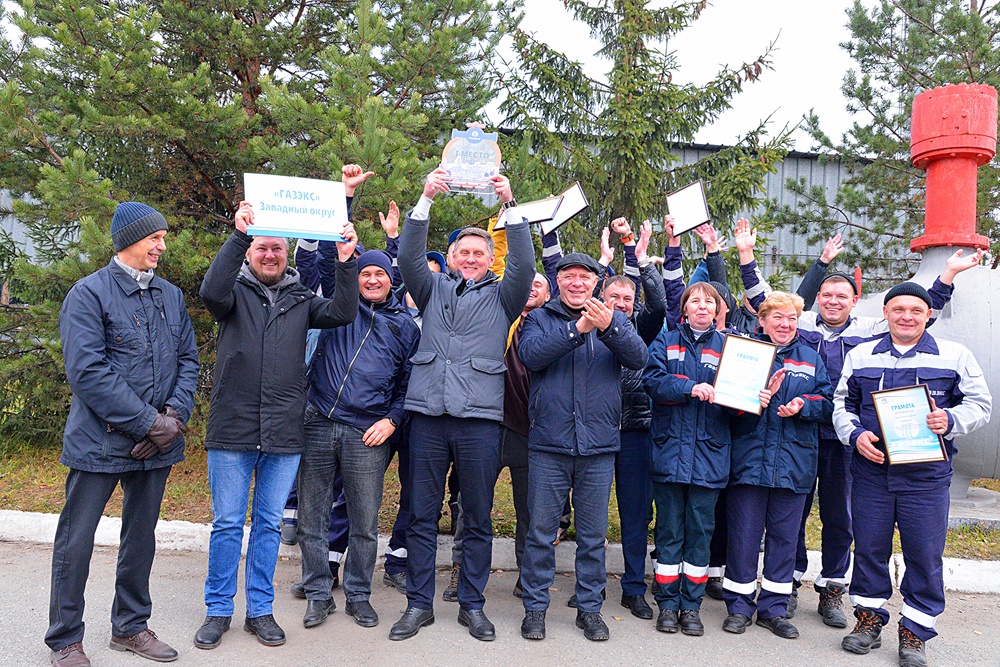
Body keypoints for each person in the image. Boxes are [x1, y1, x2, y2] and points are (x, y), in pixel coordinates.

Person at [737, 233, 981, 624]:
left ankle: (832, 587)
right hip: (799, 434)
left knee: (841, 517)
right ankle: (789, 581)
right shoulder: (801, 324)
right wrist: (747, 255)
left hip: (847, 439)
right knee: (793, 515)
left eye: (842, 296)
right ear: (817, 300)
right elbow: (764, 301)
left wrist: (948, 273)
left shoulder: (869, 330)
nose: (833, 301)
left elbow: (919, 310)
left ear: (856, 301)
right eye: (827, 295)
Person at [194, 201, 359, 650]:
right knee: (228, 524)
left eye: (277, 249)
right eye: (262, 248)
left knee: (268, 525)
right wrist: (238, 235)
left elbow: (343, 311)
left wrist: (346, 261)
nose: (270, 255)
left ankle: (260, 611)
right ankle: (218, 610)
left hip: (284, 432)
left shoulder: (302, 299)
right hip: (232, 428)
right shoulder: (232, 294)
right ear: (250, 254)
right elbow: (210, 291)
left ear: (287, 255)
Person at [47, 202, 199, 666]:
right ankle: (65, 640)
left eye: (162, 237)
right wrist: (150, 423)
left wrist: (172, 418)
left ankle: (130, 627)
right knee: (76, 542)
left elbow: (188, 361)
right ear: (129, 240)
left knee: (140, 538)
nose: (162, 246)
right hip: (99, 443)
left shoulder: (170, 296)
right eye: (155, 238)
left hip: (157, 444)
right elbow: (88, 372)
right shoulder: (88, 294)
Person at [389, 169, 534, 642]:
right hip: (428, 417)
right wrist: (425, 198)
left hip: (479, 420)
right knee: (421, 514)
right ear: (450, 258)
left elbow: (525, 264)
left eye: (478, 253)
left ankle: (472, 604)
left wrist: (510, 204)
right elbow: (408, 256)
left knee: (476, 516)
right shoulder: (431, 289)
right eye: (462, 252)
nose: (470, 258)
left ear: (490, 260)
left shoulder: (505, 295)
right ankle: (418, 604)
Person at [834, 282, 991, 667]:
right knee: (869, 549)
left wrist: (949, 419)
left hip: (926, 478)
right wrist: (855, 435)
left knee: (923, 554)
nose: (907, 317)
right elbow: (842, 404)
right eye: (899, 309)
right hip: (871, 473)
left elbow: (980, 404)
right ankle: (868, 620)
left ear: (928, 314)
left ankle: (915, 632)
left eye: (916, 310)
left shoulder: (954, 355)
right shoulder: (861, 355)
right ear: (886, 313)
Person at [518, 252, 649, 642]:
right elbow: (531, 356)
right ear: (558, 281)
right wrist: (578, 328)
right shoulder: (540, 318)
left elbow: (638, 357)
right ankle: (535, 608)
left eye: (584, 277)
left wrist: (608, 328)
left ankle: (590, 610)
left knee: (592, 537)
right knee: (541, 533)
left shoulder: (616, 320)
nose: (577, 283)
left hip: (599, 447)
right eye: (569, 276)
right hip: (549, 444)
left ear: (596, 283)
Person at [296, 247, 419, 630]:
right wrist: (343, 231)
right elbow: (325, 264)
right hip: (319, 421)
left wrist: (392, 421)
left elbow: (409, 386)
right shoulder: (340, 306)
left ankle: (359, 595)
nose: (372, 279)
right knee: (312, 518)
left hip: (368, 432)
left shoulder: (406, 327)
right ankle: (318, 593)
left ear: (390, 279)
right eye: (365, 273)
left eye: (379, 274)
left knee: (364, 522)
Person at [722, 291, 833, 640]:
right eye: (777, 317)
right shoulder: (746, 353)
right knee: (743, 537)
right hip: (749, 461)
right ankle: (739, 607)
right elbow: (726, 406)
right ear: (762, 320)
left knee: (785, 540)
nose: (785, 324)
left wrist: (804, 405)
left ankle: (774, 609)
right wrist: (752, 400)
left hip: (794, 463)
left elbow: (828, 402)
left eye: (792, 318)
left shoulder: (811, 357)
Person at [642, 281, 732, 637]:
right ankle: (667, 604)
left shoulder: (731, 348)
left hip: (710, 457)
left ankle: (691, 606)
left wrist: (752, 398)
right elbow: (652, 381)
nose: (702, 306)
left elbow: (738, 403)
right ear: (684, 308)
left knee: (700, 534)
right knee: (668, 532)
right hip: (669, 454)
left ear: (718, 310)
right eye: (695, 301)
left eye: (709, 302)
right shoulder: (666, 342)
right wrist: (688, 387)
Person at [600, 218, 667, 620]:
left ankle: (633, 588)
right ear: (602, 296)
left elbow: (659, 304)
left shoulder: (643, 325)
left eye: (628, 297)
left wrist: (639, 258)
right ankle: (590, 584)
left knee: (636, 514)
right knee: (591, 514)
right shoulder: (587, 323)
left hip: (636, 433)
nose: (621, 302)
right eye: (615, 296)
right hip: (595, 430)